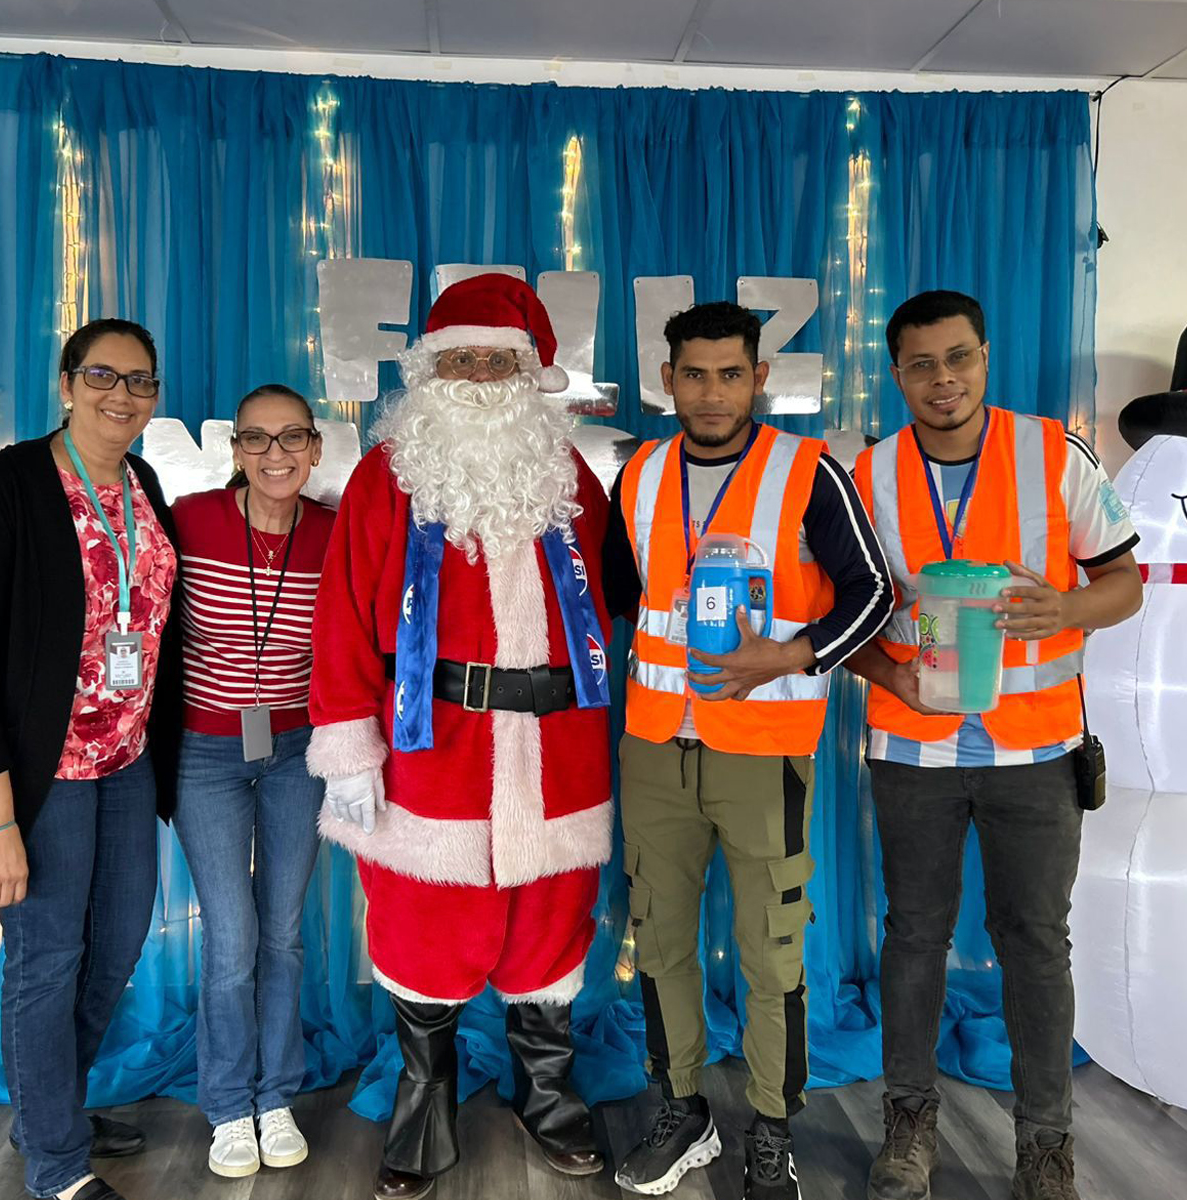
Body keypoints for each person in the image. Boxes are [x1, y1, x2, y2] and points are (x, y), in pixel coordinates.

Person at [307, 273, 612, 1200]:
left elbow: (619, 604)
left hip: (558, 755)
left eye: (498, 361)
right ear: (429, 375)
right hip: (429, 753)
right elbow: (343, 619)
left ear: (531, 374)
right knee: (421, 935)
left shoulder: (573, 482)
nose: (479, 377)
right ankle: (423, 1107)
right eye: (460, 360)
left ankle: (546, 1097)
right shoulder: (386, 476)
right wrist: (348, 751)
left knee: (551, 934)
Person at [846, 290, 1143, 1200]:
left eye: (958, 358)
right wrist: (885, 673)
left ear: (985, 357)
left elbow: (1125, 582)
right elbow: (835, 613)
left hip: (1038, 750)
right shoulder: (866, 475)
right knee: (913, 936)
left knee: (1036, 943)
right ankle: (908, 1125)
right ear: (897, 375)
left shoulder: (1054, 453)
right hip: (913, 748)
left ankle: (1046, 1143)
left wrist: (1070, 606)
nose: (943, 379)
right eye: (922, 365)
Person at [604, 301, 894, 1200]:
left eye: (731, 374)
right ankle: (682, 1109)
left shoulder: (807, 471)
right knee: (659, 939)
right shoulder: (639, 473)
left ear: (759, 378)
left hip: (765, 749)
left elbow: (873, 593)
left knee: (771, 950)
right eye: (694, 375)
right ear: (667, 381)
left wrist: (790, 655)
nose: (712, 392)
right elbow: (615, 595)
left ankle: (773, 1127)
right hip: (656, 745)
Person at [0, 318, 183, 1200]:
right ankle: (57, 1164)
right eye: (102, 375)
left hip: (126, 762)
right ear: (67, 385)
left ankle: (48, 1108)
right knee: (47, 962)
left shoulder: (143, 483)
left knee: (116, 947)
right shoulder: (4, 488)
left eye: (140, 381)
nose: (122, 395)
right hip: (41, 779)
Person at [170, 385, 334, 1178]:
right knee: (232, 938)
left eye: (292, 437)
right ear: (234, 450)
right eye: (258, 439)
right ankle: (230, 1105)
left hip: (297, 751)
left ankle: (277, 1097)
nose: (276, 454)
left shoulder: (332, 534)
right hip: (206, 753)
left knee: (284, 932)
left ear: (315, 448)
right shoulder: (191, 521)